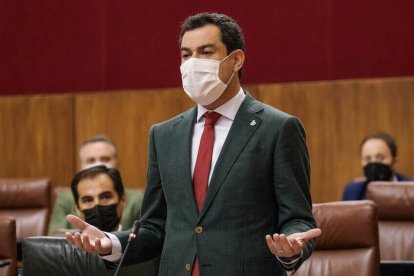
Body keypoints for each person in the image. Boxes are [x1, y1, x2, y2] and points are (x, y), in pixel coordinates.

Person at [65, 13, 321, 275]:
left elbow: (297, 219)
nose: (193, 63)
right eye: (186, 55)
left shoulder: (278, 129)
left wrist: (292, 247)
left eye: (206, 52)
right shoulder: (164, 135)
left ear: (236, 59)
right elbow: (155, 226)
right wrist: (109, 242)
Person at [48, 134, 144, 235]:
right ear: (81, 166)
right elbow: (54, 236)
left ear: (116, 162)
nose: (98, 164)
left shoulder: (138, 199)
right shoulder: (65, 198)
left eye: (105, 159)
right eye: (91, 160)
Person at [343, 131, 412, 200]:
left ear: (394, 161)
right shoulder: (352, 192)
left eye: (380, 158)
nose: (374, 163)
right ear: (361, 162)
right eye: (368, 159)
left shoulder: (411, 189)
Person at [71, 165, 126, 232]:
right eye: (88, 200)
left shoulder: (138, 241)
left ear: (122, 199)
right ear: (77, 209)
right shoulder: (68, 242)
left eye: (105, 197)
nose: (97, 204)